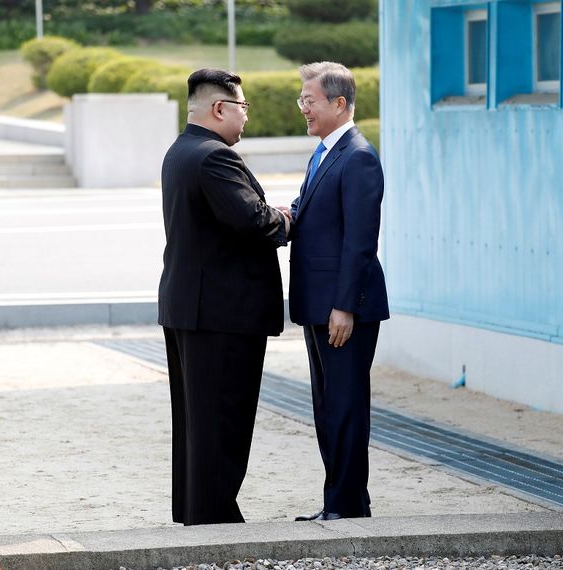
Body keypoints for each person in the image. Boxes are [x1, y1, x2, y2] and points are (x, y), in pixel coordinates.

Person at [158, 68, 290, 526]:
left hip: (189, 308)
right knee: (223, 421)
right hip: (221, 314)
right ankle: (214, 517)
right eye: (243, 108)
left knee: (197, 422)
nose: (246, 118)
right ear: (220, 108)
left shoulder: (179, 151)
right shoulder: (215, 157)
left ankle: (197, 511)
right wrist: (285, 218)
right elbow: (254, 221)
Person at [286, 61, 390, 521]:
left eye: (309, 101)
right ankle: (344, 503)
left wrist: (345, 306)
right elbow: (310, 207)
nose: (303, 108)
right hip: (318, 305)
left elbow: (361, 241)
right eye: (302, 100)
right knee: (327, 407)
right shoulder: (325, 151)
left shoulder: (359, 155)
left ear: (339, 104)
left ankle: (346, 508)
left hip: (344, 310)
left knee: (345, 408)